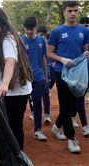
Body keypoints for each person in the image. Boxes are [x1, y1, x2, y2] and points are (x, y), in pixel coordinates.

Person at [0, 6, 33, 151]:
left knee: (14, 128)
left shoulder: (8, 39)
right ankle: (6, 157)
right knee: (3, 127)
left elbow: (10, 62)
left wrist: (4, 83)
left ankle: (17, 158)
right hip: (3, 91)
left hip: (14, 93)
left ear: (3, 22)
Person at [47, 0, 89, 153]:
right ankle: (71, 138)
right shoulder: (56, 32)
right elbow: (49, 53)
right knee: (65, 105)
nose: (73, 14)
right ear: (64, 12)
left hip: (77, 73)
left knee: (73, 104)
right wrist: (62, 59)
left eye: (76, 10)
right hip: (61, 72)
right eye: (70, 11)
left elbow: (85, 52)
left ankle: (57, 126)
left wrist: (87, 56)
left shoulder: (84, 31)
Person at [21, 16, 48, 141]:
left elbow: (43, 58)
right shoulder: (20, 41)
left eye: (31, 29)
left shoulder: (41, 41)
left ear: (36, 28)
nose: (29, 32)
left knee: (37, 103)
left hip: (38, 78)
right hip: (24, 79)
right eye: (27, 29)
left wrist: (46, 76)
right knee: (21, 104)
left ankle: (37, 130)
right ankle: (17, 129)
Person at [70, 16, 89, 136]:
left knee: (78, 99)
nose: (84, 28)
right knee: (80, 98)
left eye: (86, 26)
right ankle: (85, 126)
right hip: (81, 74)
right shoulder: (77, 39)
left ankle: (72, 116)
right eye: (82, 25)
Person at [36, 25, 52, 123]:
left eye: (45, 36)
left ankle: (47, 114)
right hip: (35, 75)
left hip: (46, 72)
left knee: (46, 93)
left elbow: (47, 58)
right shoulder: (33, 42)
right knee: (34, 96)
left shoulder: (46, 44)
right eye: (41, 35)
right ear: (37, 33)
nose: (43, 37)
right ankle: (34, 112)